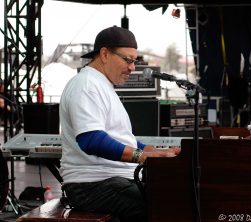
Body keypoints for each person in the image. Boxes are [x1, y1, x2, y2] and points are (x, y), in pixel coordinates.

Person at [59, 26, 180, 222]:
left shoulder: (101, 85)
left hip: (108, 180)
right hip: (91, 185)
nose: (133, 67)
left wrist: (152, 150)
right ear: (105, 54)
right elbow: (91, 140)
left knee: (174, 196)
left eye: (135, 61)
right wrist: (142, 156)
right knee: (168, 204)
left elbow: (116, 136)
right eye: (128, 60)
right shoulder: (87, 85)